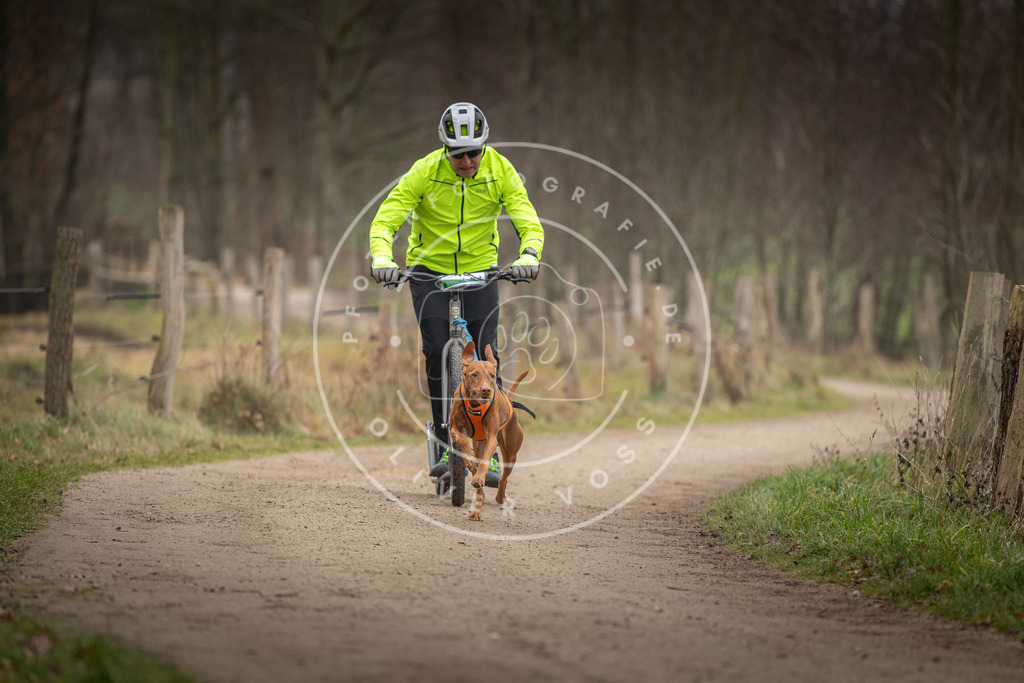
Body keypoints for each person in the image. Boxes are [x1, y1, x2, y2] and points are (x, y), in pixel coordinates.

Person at [368, 102, 545, 486]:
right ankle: (446, 439)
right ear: (444, 149)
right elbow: (387, 218)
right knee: (436, 350)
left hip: (481, 268)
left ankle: (487, 447)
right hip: (428, 271)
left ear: (484, 146)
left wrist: (529, 254)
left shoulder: (500, 171)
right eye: (457, 154)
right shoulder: (424, 173)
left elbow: (526, 217)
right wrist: (383, 256)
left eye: (474, 152)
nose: (466, 161)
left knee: (486, 355)